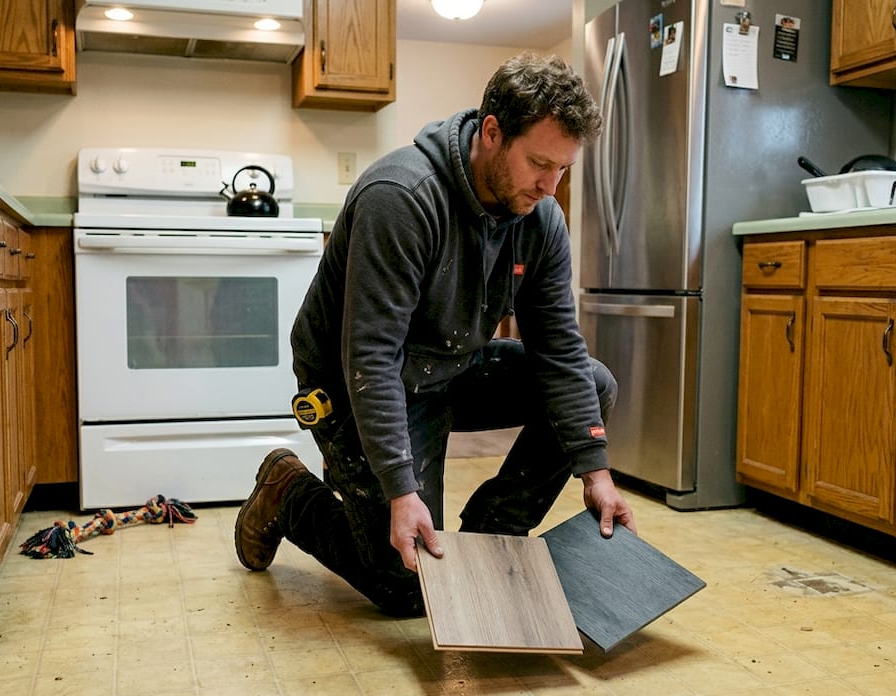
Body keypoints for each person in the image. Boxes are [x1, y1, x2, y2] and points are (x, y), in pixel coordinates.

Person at [233, 52, 637, 617]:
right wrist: (401, 491)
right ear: (492, 133)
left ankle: (487, 538)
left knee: (594, 382)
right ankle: (288, 491)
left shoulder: (540, 218)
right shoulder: (400, 198)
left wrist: (595, 470)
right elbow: (369, 356)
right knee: (407, 588)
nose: (551, 186)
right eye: (540, 163)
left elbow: (560, 350)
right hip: (357, 382)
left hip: (450, 364)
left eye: (563, 168)